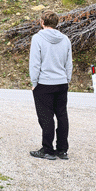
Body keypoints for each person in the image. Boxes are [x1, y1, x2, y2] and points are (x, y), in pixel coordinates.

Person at [29, 10, 72, 160]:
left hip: (44, 83)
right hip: (61, 82)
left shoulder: (37, 38)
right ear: (56, 23)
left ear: (42, 22)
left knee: (46, 117)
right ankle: (62, 150)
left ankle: (47, 149)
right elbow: (69, 62)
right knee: (62, 116)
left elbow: (35, 63)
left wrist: (34, 83)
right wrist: (67, 79)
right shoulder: (65, 39)